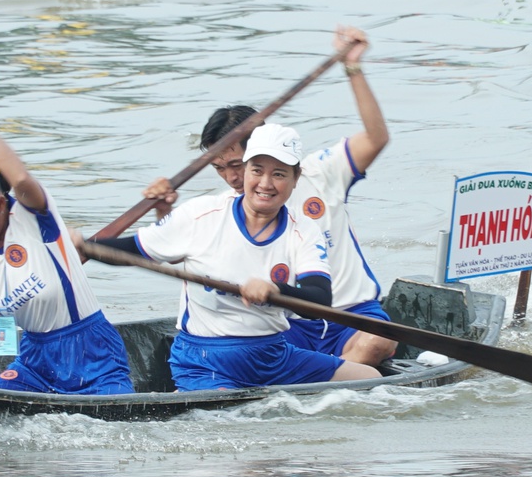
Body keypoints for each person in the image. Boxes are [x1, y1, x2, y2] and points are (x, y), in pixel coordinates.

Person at [171, 27, 397, 368]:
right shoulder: (222, 211)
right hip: (285, 323)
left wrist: (352, 68)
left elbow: (376, 138)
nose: (233, 179)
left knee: (378, 341)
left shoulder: (320, 172)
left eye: (237, 165)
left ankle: (335, 380)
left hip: (352, 314)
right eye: (219, 168)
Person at [0, 70, 134, 395]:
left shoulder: (32, 215)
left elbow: (19, 179)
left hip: (91, 350)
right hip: (33, 357)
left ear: (1, 204)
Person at [115, 125, 379, 391]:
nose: (265, 184)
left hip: (273, 355)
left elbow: (320, 299)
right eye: (257, 171)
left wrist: (276, 289)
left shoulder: (303, 229)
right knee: (226, 418)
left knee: (372, 380)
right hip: (207, 359)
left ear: (295, 178)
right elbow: (129, 250)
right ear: (246, 172)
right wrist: (81, 245)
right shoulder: (201, 213)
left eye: (278, 174)